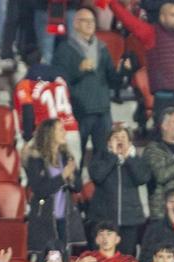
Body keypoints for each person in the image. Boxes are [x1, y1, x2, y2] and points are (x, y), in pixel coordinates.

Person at [53, 7, 122, 159]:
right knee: (75, 156)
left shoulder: (102, 47)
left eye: (92, 21)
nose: (90, 24)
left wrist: (123, 71)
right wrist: (79, 69)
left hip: (102, 111)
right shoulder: (65, 49)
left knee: (105, 157)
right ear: (76, 24)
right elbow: (59, 80)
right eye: (85, 21)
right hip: (80, 111)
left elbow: (112, 79)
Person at [87, 127, 150, 256]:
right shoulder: (101, 156)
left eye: (123, 137)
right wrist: (113, 157)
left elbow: (142, 178)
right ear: (109, 142)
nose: (120, 140)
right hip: (104, 219)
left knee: (127, 258)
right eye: (116, 137)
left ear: (130, 142)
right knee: (101, 258)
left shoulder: (136, 158)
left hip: (130, 219)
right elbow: (97, 176)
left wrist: (128, 159)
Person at [25, 119, 84, 253]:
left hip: (66, 218)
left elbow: (78, 187)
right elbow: (39, 190)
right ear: (49, 134)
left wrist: (72, 177)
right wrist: (63, 176)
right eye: (60, 129)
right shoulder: (35, 159)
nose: (64, 132)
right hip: (45, 220)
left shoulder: (66, 156)